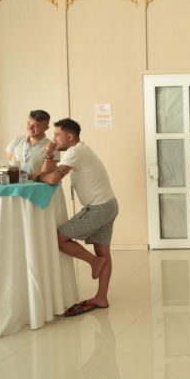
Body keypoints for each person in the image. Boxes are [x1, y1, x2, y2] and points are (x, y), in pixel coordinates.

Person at [33, 118, 119, 317]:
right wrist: (49, 156)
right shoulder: (79, 151)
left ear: (70, 136)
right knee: (103, 252)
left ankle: (94, 262)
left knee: (59, 238)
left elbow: (52, 179)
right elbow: (50, 172)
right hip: (109, 204)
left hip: (99, 208)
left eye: (57, 135)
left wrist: (34, 176)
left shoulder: (75, 152)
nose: (53, 139)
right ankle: (101, 298)